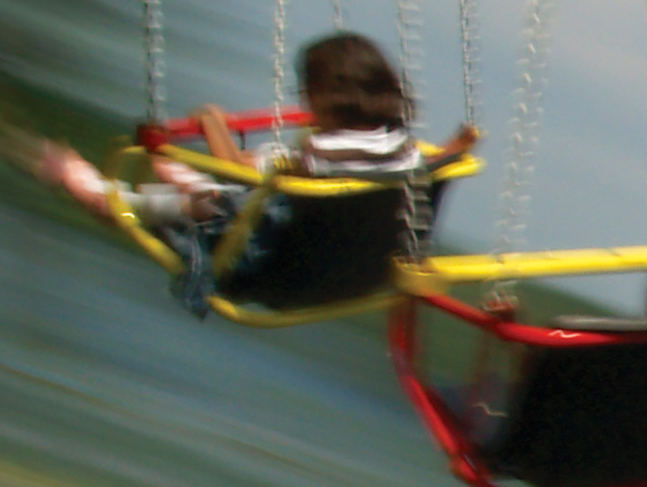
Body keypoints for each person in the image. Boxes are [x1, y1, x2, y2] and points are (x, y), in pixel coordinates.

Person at [32, 33, 461, 312]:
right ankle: (178, 178)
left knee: (188, 205)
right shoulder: (408, 152)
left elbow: (241, 172)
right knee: (230, 193)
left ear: (326, 95)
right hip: (356, 278)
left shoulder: (320, 153)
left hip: (270, 268)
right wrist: (461, 147)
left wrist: (212, 122)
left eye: (305, 92)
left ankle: (93, 188)